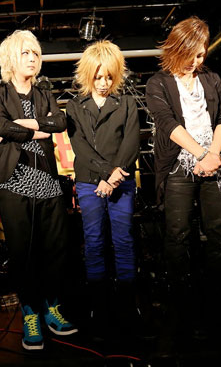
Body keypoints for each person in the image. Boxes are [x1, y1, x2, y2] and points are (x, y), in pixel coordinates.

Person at [144, 16, 221, 355]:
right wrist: (200, 154)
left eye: (202, 54)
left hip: (213, 160)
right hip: (179, 165)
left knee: (220, 232)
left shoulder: (211, 79)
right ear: (176, 47)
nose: (197, 61)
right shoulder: (157, 83)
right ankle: (183, 309)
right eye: (191, 54)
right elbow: (167, 123)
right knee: (178, 235)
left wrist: (212, 154)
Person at [0, 30, 77, 350]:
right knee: (22, 253)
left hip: (48, 183)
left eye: (36, 54)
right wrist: (39, 127)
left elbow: (60, 123)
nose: (32, 59)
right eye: (25, 53)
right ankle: (30, 313)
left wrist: (24, 125)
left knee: (55, 250)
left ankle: (52, 308)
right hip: (15, 183)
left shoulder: (44, 93)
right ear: (11, 58)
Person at [66, 40, 140, 338]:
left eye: (109, 77)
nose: (103, 83)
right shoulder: (74, 105)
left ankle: (128, 303)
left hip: (122, 180)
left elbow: (131, 141)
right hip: (89, 182)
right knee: (94, 241)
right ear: (88, 74)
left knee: (124, 241)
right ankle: (98, 304)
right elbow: (80, 147)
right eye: (98, 77)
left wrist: (114, 176)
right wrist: (105, 174)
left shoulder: (127, 103)